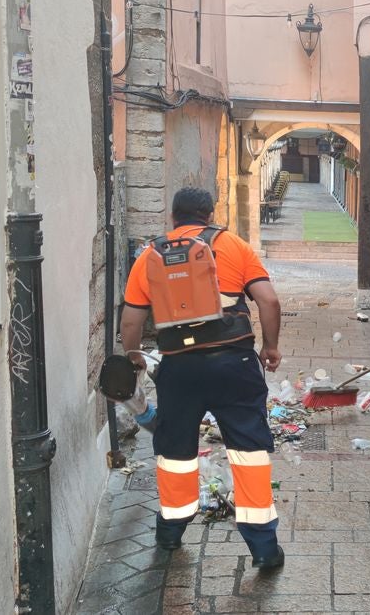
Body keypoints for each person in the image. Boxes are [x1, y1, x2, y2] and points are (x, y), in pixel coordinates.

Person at [120, 187, 285, 569]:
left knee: (175, 451)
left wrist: (135, 360)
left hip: (179, 368)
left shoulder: (150, 255)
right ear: (210, 214)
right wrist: (270, 347)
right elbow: (269, 301)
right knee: (249, 453)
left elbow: (131, 320)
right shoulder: (234, 246)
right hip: (235, 365)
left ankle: (171, 532)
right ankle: (263, 547)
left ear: (173, 217)